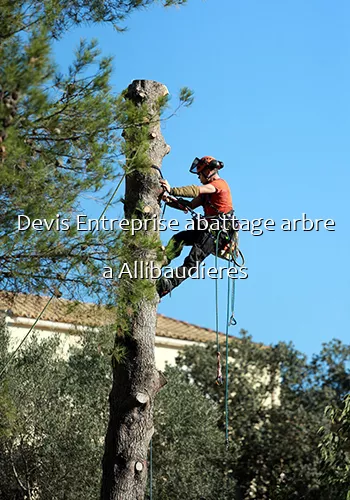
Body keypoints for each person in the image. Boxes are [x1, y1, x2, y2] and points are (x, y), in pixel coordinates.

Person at [157, 155, 234, 297]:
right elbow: (190, 205)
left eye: (200, 174)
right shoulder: (207, 193)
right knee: (179, 238)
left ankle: (167, 285)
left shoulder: (218, 185)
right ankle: (163, 259)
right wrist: (169, 200)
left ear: (208, 172)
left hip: (217, 233)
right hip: (207, 230)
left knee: (192, 261)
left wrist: (171, 189)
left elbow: (195, 190)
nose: (199, 177)